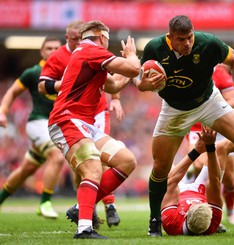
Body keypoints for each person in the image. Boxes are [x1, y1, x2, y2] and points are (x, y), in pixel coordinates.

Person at [134, 15, 234, 236]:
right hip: (174, 110)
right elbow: (139, 80)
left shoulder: (208, 43)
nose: (188, 43)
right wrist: (143, 84)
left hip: (208, 102)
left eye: (190, 37)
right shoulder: (155, 48)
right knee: (160, 167)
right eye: (181, 39)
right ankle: (154, 219)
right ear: (170, 38)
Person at [47, 20, 140, 239]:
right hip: (67, 119)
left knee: (127, 160)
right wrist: (132, 55)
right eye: (107, 38)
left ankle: (82, 208)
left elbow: (115, 84)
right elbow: (132, 67)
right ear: (101, 36)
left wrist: (138, 71)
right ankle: (84, 228)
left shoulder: (88, 54)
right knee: (93, 168)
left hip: (83, 122)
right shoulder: (92, 50)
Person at [0, 36, 64, 224]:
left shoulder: (67, 71)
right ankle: (44, 202)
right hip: (38, 123)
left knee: (27, 169)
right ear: (41, 51)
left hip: (57, 125)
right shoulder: (33, 72)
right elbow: (13, 91)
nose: (53, 51)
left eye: (56, 48)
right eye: (49, 48)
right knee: (57, 156)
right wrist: (2, 113)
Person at [186, 64, 234, 226]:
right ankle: (203, 205)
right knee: (200, 164)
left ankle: (231, 212)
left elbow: (232, 100)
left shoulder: (219, 72)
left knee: (229, 179)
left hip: (221, 127)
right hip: (197, 127)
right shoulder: (187, 68)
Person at [162, 126, 222, 235]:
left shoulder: (171, 223)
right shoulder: (213, 221)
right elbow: (214, 181)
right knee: (221, 150)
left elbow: (171, 181)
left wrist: (196, 151)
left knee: (163, 159)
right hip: (200, 190)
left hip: (178, 194)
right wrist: (210, 147)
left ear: (186, 215)